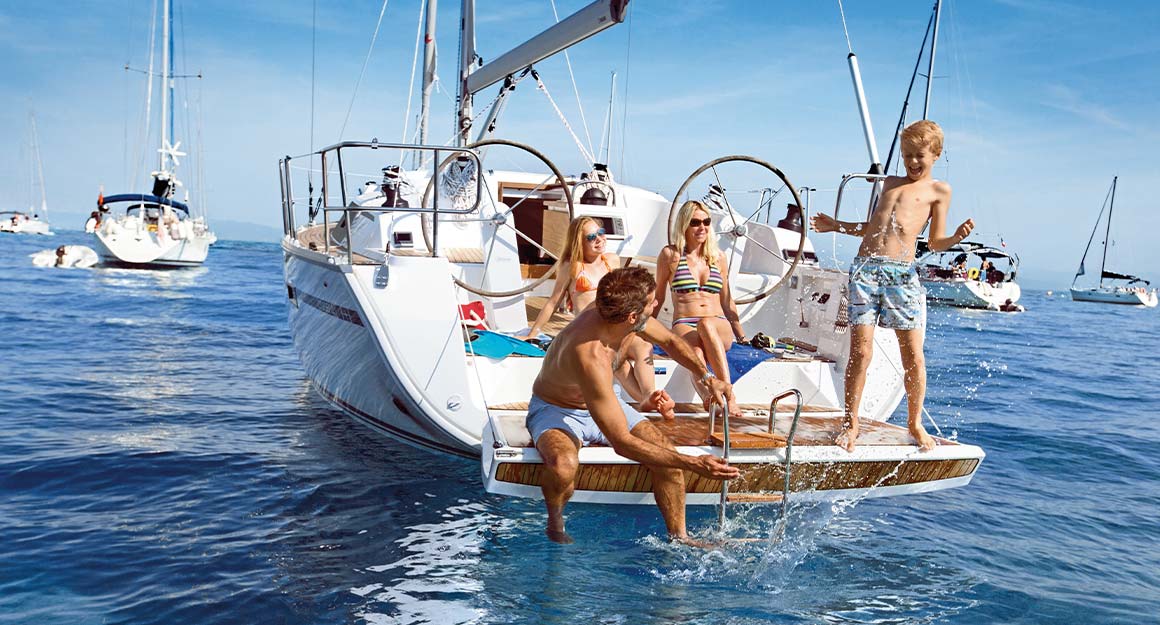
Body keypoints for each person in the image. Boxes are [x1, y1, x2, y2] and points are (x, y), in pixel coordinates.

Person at [528, 266, 740, 544]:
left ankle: (679, 537)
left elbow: (671, 342)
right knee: (563, 465)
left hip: (602, 399)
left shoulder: (626, 318)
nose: (656, 305)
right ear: (632, 316)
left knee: (665, 455)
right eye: (652, 302)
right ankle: (555, 520)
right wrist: (694, 463)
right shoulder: (590, 355)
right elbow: (622, 442)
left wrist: (707, 376)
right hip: (555, 408)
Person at [810, 120, 974, 452]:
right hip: (865, 272)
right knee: (861, 352)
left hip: (901, 274)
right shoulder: (890, 183)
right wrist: (836, 226)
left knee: (912, 354)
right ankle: (850, 422)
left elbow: (934, 241)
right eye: (907, 155)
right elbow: (874, 227)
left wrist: (956, 237)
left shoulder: (939, 191)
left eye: (920, 156)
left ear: (936, 154)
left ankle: (914, 423)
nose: (913, 162)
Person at [526, 217, 674, 419]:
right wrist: (533, 333)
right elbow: (553, 301)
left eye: (601, 232)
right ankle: (645, 401)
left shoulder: (611, 261)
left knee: (643, 347)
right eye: (591, 237)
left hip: (618, 325)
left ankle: (650, 395)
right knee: (619, 362)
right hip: (593, 331)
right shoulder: (571, 267)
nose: (599, 239)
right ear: (579, 242)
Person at [654, 200, 745, 417]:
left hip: (716, 323)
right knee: (693, 353)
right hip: (685, 324)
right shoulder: (670, 256)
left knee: (706, 324)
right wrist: (643, 331)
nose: (702, 227)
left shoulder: (718, 257)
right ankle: (709, 398)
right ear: (684, 225)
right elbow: (657, 297)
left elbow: (726, 300)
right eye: (695, 222)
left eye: (706, 221)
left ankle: (729, 395)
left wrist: (741, 334)